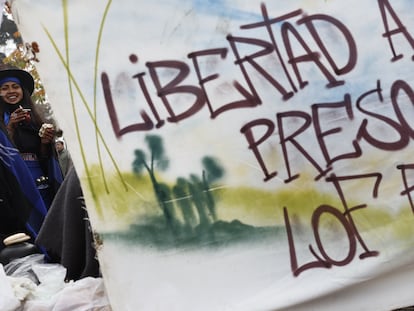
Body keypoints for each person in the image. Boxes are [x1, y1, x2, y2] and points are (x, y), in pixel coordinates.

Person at [0, 65, 63, 236]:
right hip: (14, 183)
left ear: (22, 90)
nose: (11, 91)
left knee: (50, 220)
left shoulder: (34, 119)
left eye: (15, 87)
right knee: (29, 226)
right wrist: (10, 127)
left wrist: (45, 143)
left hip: (41, 181)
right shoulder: (2, 123)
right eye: (4, 88)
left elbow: (43, 157)